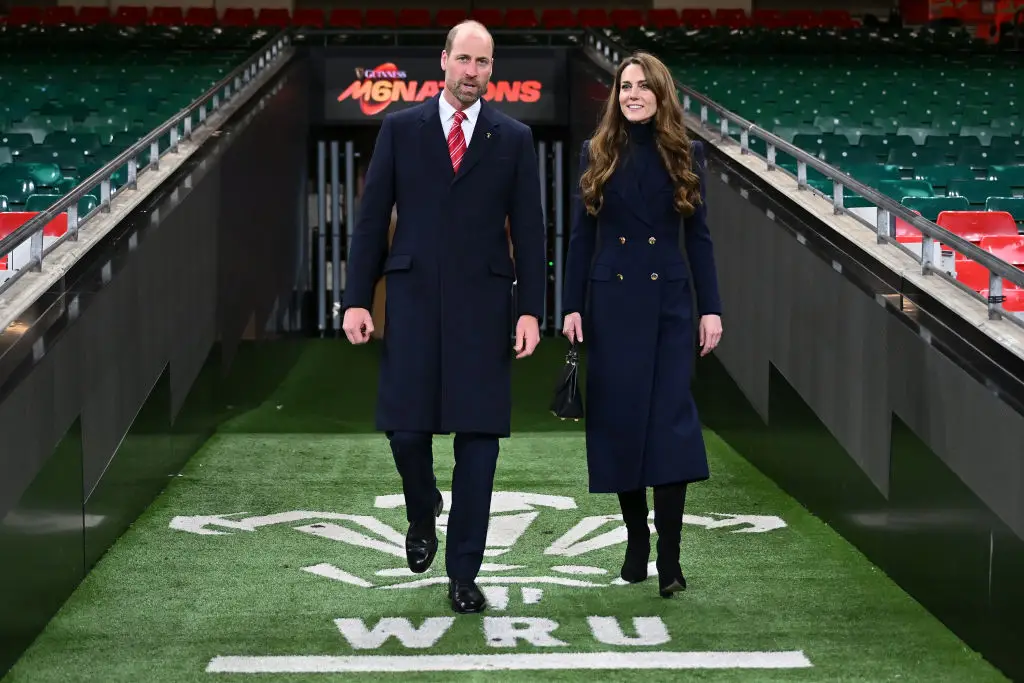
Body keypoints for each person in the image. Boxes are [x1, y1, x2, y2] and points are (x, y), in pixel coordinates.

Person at [341, 20, 545, 614]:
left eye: (482, 62)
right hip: (412, 303)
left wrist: (532, 308)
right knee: (406, 432)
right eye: (463, 60)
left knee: (479, 444)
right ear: (444, 61)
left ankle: (463, 575)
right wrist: (357, 297)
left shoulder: (514, 138)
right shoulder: (400, 129)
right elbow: (373, 217)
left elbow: (530, 233)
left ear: (492, 69)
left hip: (485, 310)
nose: (471, 71)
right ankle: (422, 503)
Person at [561, 52, 724, 598]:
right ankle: (636, 544)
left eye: (641, 86)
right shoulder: (596, 151)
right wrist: (572, 305)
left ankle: (671, 558)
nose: (631, 94)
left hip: (670, 308)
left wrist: (711, 308)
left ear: (660, 93)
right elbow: (580, 238)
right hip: (611, 307)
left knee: (670, 428)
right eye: (624, 86)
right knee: (621, 425)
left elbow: (698, 238)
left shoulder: (687, 153)